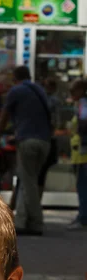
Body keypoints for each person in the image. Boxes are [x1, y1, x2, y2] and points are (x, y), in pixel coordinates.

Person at [0, 65, 51, 236]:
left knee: (28, 182)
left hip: (28, 141)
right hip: (45, 141)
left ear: (15, 78)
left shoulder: (16, 91)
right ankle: (22, 221)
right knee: (28, 180)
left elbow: (4, 116)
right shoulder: (39, 90)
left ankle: (36, 222)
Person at [67, 78, 87, 230]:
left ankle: (83, 217)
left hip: (82, 153)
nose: (71, 94)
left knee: (82, 185)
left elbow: (83, 123)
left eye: (73, 91)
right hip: (80, 152)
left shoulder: (83, 104)